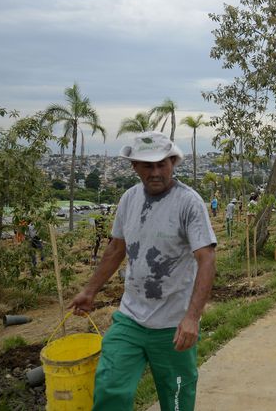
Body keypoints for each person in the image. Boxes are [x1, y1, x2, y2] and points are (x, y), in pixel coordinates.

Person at [69, 132, 216, 410]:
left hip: (173, 326)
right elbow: (116, 249)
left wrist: (192, 318)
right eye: (148, 165)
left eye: (163, 164)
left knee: (176, 399)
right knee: (110, 388)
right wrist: (89, 291)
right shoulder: (129, 199)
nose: (156, 172)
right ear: (134, 166)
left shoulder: (189, 203)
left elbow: (206, 259)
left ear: (173, 162)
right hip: (130, 319)